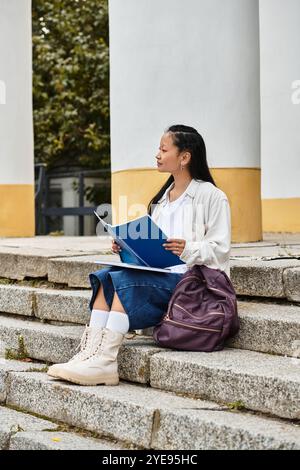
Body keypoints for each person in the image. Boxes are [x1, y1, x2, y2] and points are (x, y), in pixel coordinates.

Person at [47, 124, 231, 386]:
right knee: (107, 276)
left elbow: (221, 251)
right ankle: (88, 355)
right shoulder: (162, 201)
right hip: (161, 276)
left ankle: (106, 361)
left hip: (191, 283)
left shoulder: (211, 196)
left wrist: (187, 248)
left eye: (164, 149)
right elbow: (153, 250)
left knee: (125, 282)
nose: (157, 154)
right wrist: (127, 248)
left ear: (185, 157)